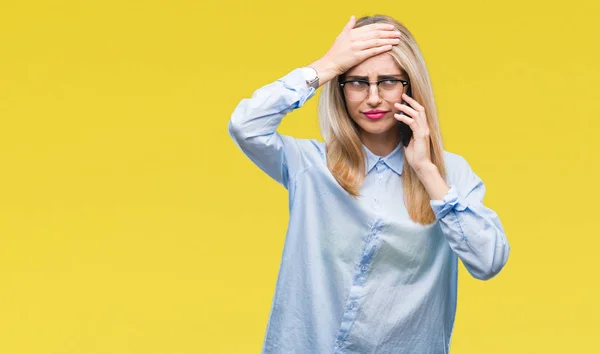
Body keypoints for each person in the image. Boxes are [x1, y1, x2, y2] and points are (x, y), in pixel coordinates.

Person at [228, 14, 510, 354]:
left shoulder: (449, 174)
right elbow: (246, 126)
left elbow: (488, 260)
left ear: (411, 87)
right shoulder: (310, 165)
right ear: (341, 89)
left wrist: (426, 170)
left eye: (389, 81)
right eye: (358, 82)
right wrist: (325, 67)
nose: (373, 98)